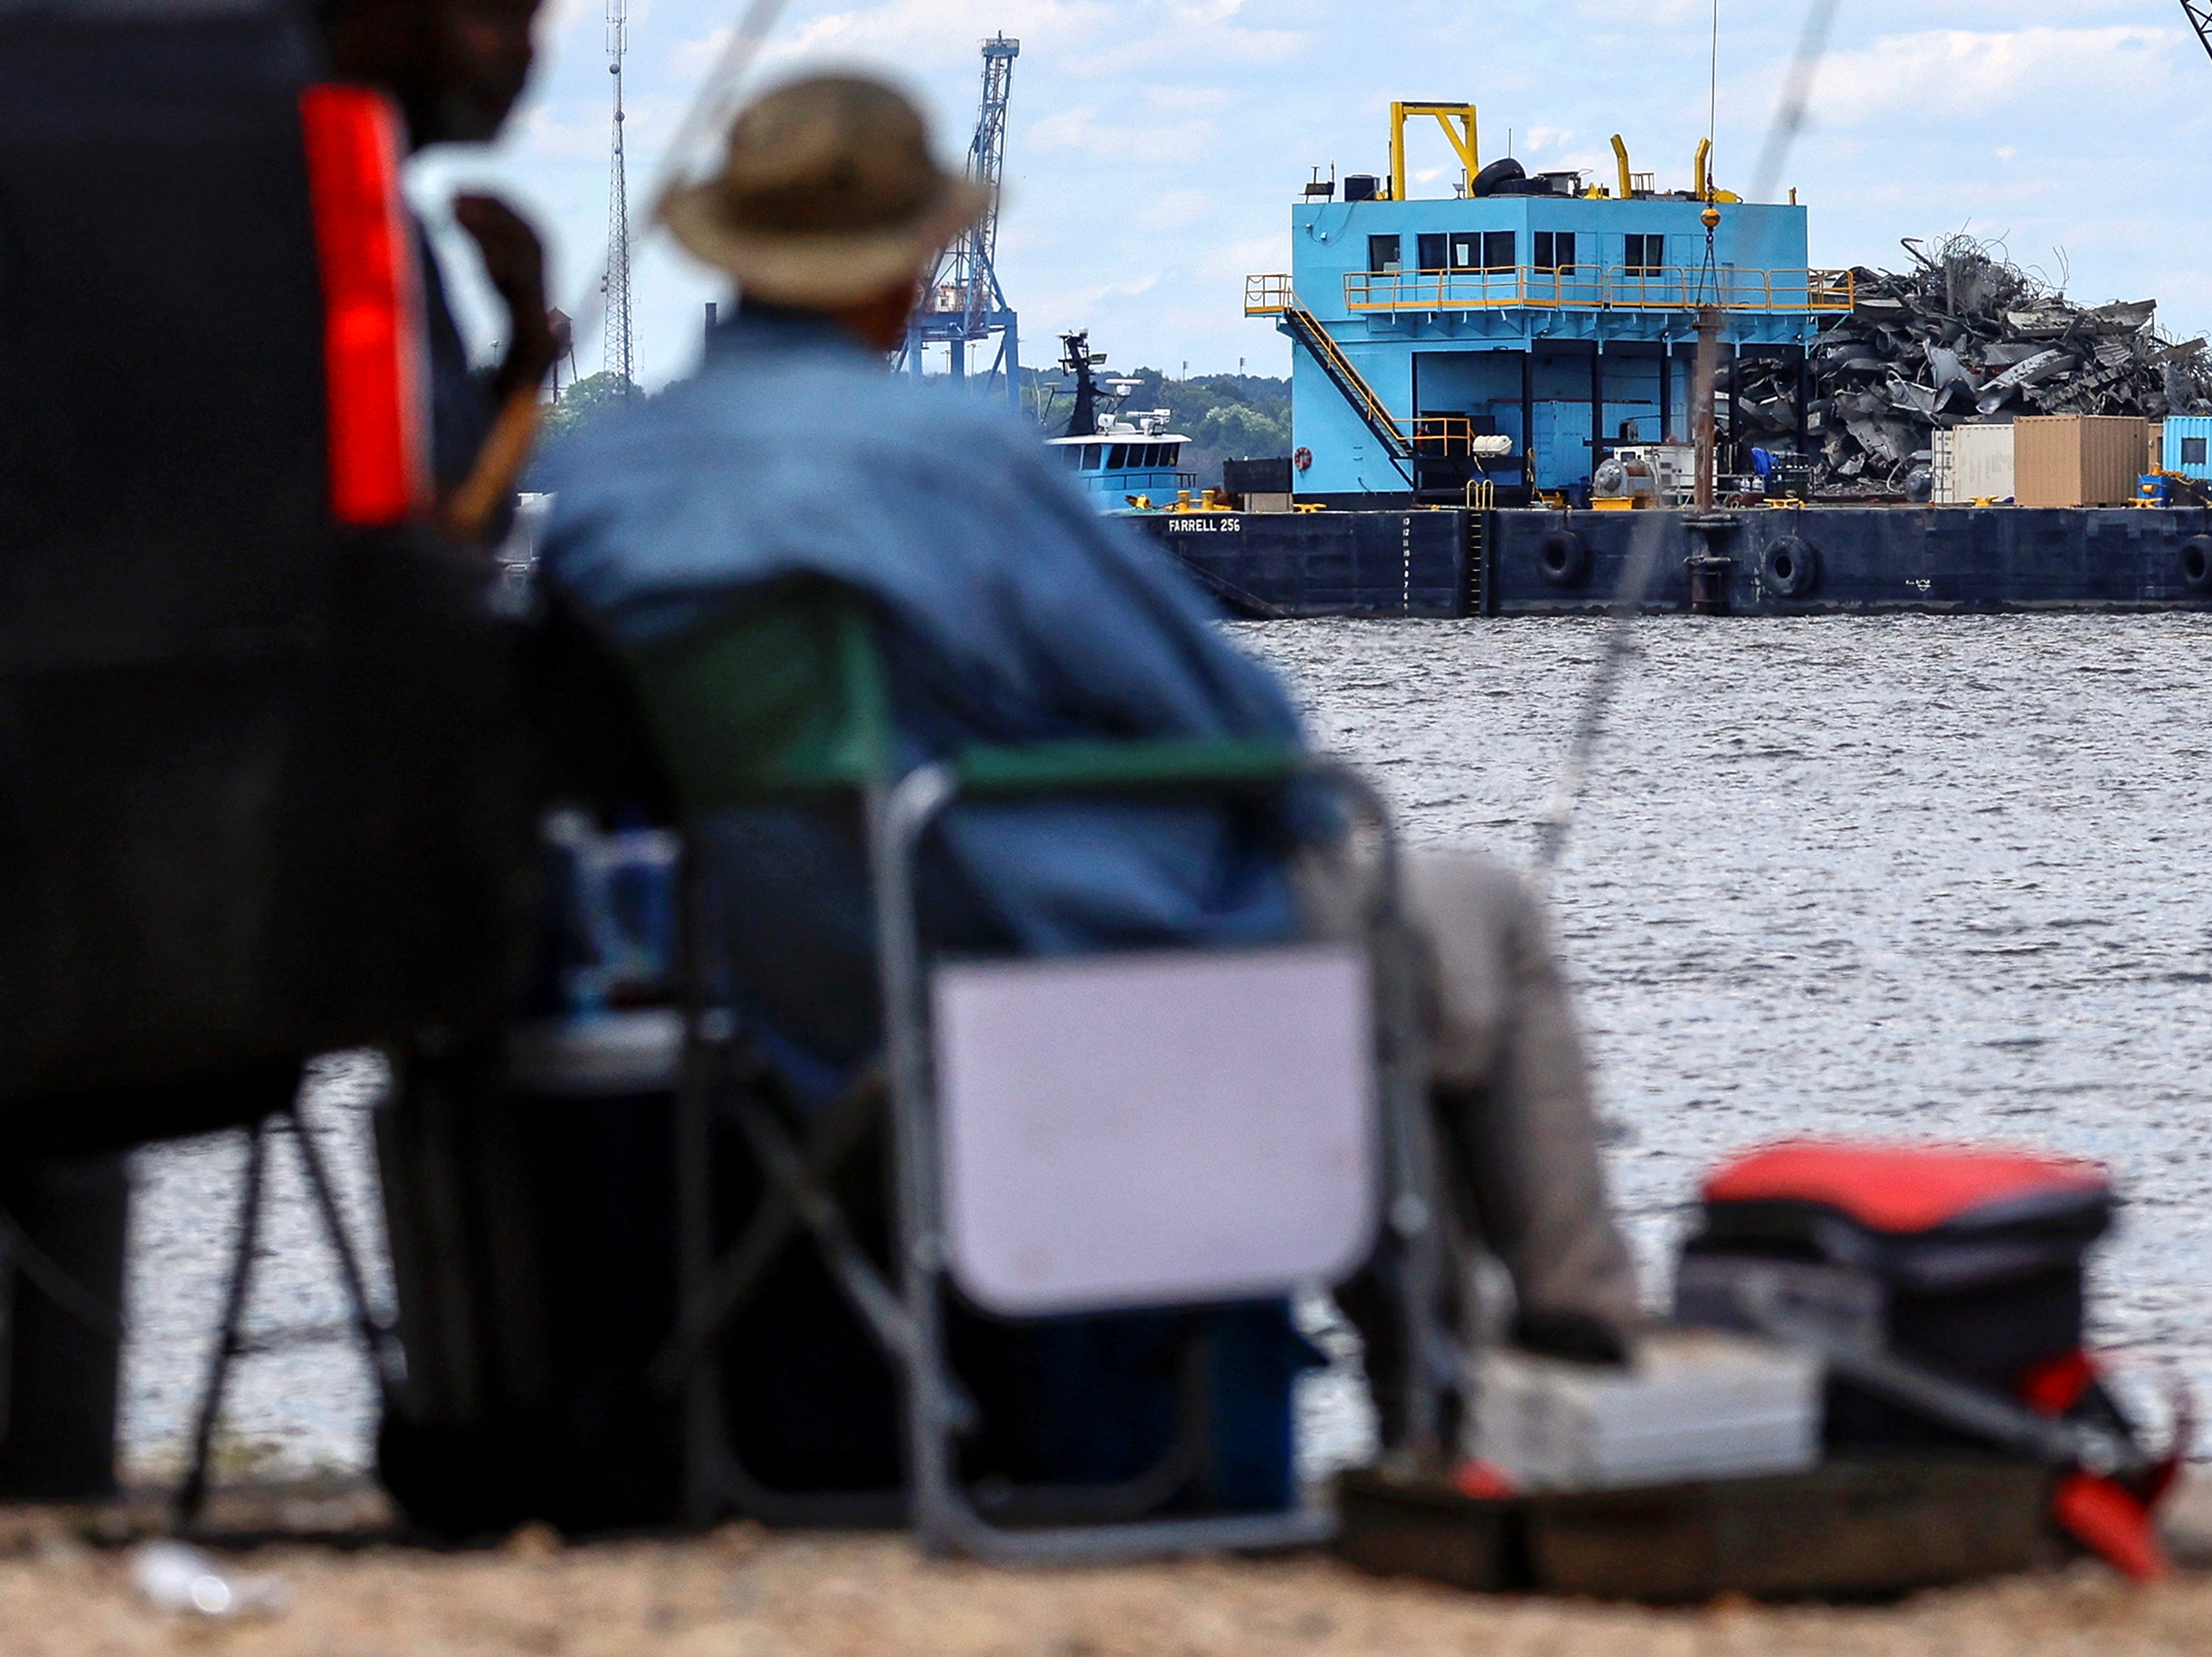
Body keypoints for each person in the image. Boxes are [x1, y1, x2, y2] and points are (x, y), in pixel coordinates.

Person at [534, 71, 1636, 1395]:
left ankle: (1446, 1387)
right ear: (905, 270)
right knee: (1466, 919)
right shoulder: (951, 461)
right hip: (1046, 975)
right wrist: (1270, 825)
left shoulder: (600, 487)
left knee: (1344, 968)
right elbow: (1242, 729)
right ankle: (1550, 1367)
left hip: (801, 1009)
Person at [320, 0, 568, 520]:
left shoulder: (370, 196)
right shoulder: (313, 208)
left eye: (531, 20)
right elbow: (417, 532)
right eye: (495, 13)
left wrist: (524, 345)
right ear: (376, 0)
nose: (524, 53)